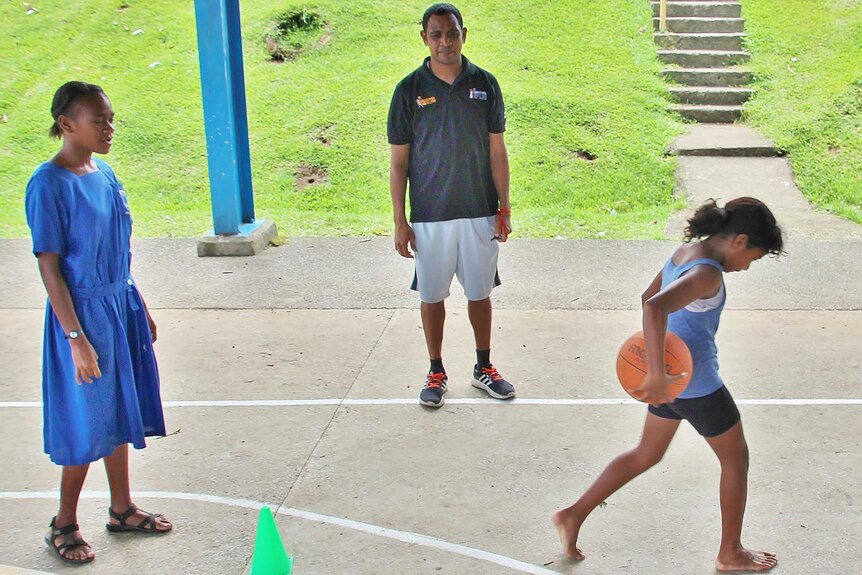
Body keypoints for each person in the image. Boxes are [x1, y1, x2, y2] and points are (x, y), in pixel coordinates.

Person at [552, 197, 783, 572]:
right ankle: (730, 553)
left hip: (673, 383)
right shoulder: (708, 274)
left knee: (646, 452)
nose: (747, 266)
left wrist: (657, 367)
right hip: (695, 384)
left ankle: (573, 514)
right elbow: (655, 308)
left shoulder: (683, 253)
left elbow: (648, 297)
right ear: (740, 241)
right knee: (736, 460)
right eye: (753, 257)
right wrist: (657, 372)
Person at [25, 81, 172, 565]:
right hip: (82, 314)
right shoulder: (49, 183)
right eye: (98, 120)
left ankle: (121, 507)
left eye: (111, 118)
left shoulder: (104, 173)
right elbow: (50, 266)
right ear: (67, 124)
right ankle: (63, 521)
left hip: (119, 304)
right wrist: (75, 338)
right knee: (87, 418)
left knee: (119, 412)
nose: (109, 128)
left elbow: (118, 252)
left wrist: (139, 304)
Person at [388, 3, 514, 408]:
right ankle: (436, 371)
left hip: (480, 210)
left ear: (464, 34)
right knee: (432, 297)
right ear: (424, 37)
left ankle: (483, 367)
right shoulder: (408, 89)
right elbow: (399, 162)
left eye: (452, 33)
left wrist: (504, 208)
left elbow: (498, 151)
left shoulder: (485, 84)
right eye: (437, 34)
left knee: (480, 294)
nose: (446, 41)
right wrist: (400, 222)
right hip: (429, 215)